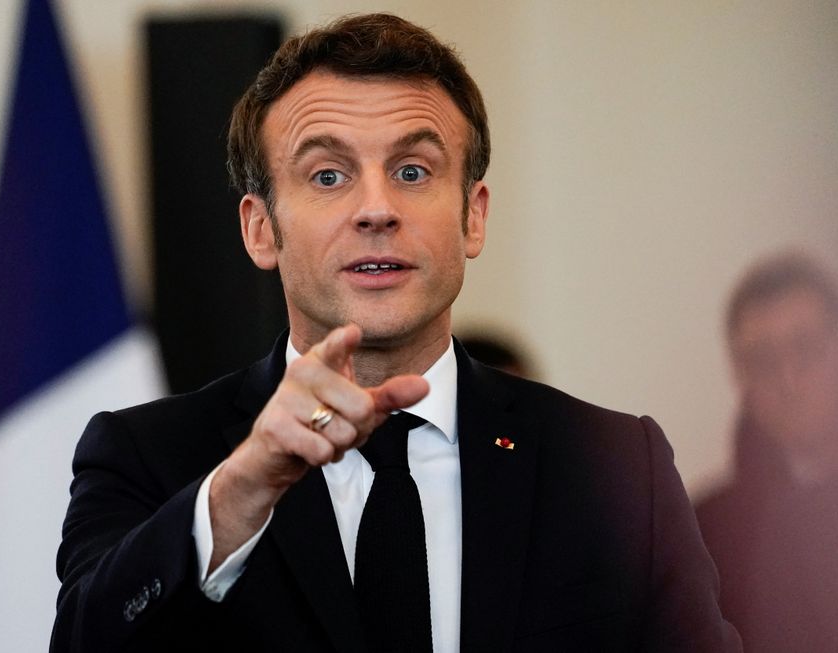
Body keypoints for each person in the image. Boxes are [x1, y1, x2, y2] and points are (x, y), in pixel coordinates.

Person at [52, 14, 739, 652]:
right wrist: (240, 492)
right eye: (328, 174)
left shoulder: (617, 467)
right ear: (260, 228)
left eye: (413, 171)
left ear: (473, 216)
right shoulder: (147, 454)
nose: (376, 209)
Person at [696, 251, 838, 652]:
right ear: (738, 374)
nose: (788, 379)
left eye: (806, 347)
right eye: (763, 360)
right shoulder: (703, 536)